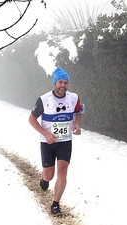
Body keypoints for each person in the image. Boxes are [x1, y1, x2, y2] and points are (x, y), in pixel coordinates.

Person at [29, 68, 84, 215]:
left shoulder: (73, 98)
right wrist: (46, 134)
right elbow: (32, 120)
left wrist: (77, 124)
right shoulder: (44, 99)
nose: (63, 86)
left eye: (66, 83)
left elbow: (79, 110)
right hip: (48, 142)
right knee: (49, 175)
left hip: (65, 141)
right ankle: (44, 179)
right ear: (55, 83)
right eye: (60, 82)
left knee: (62, 172)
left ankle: (55, 204)